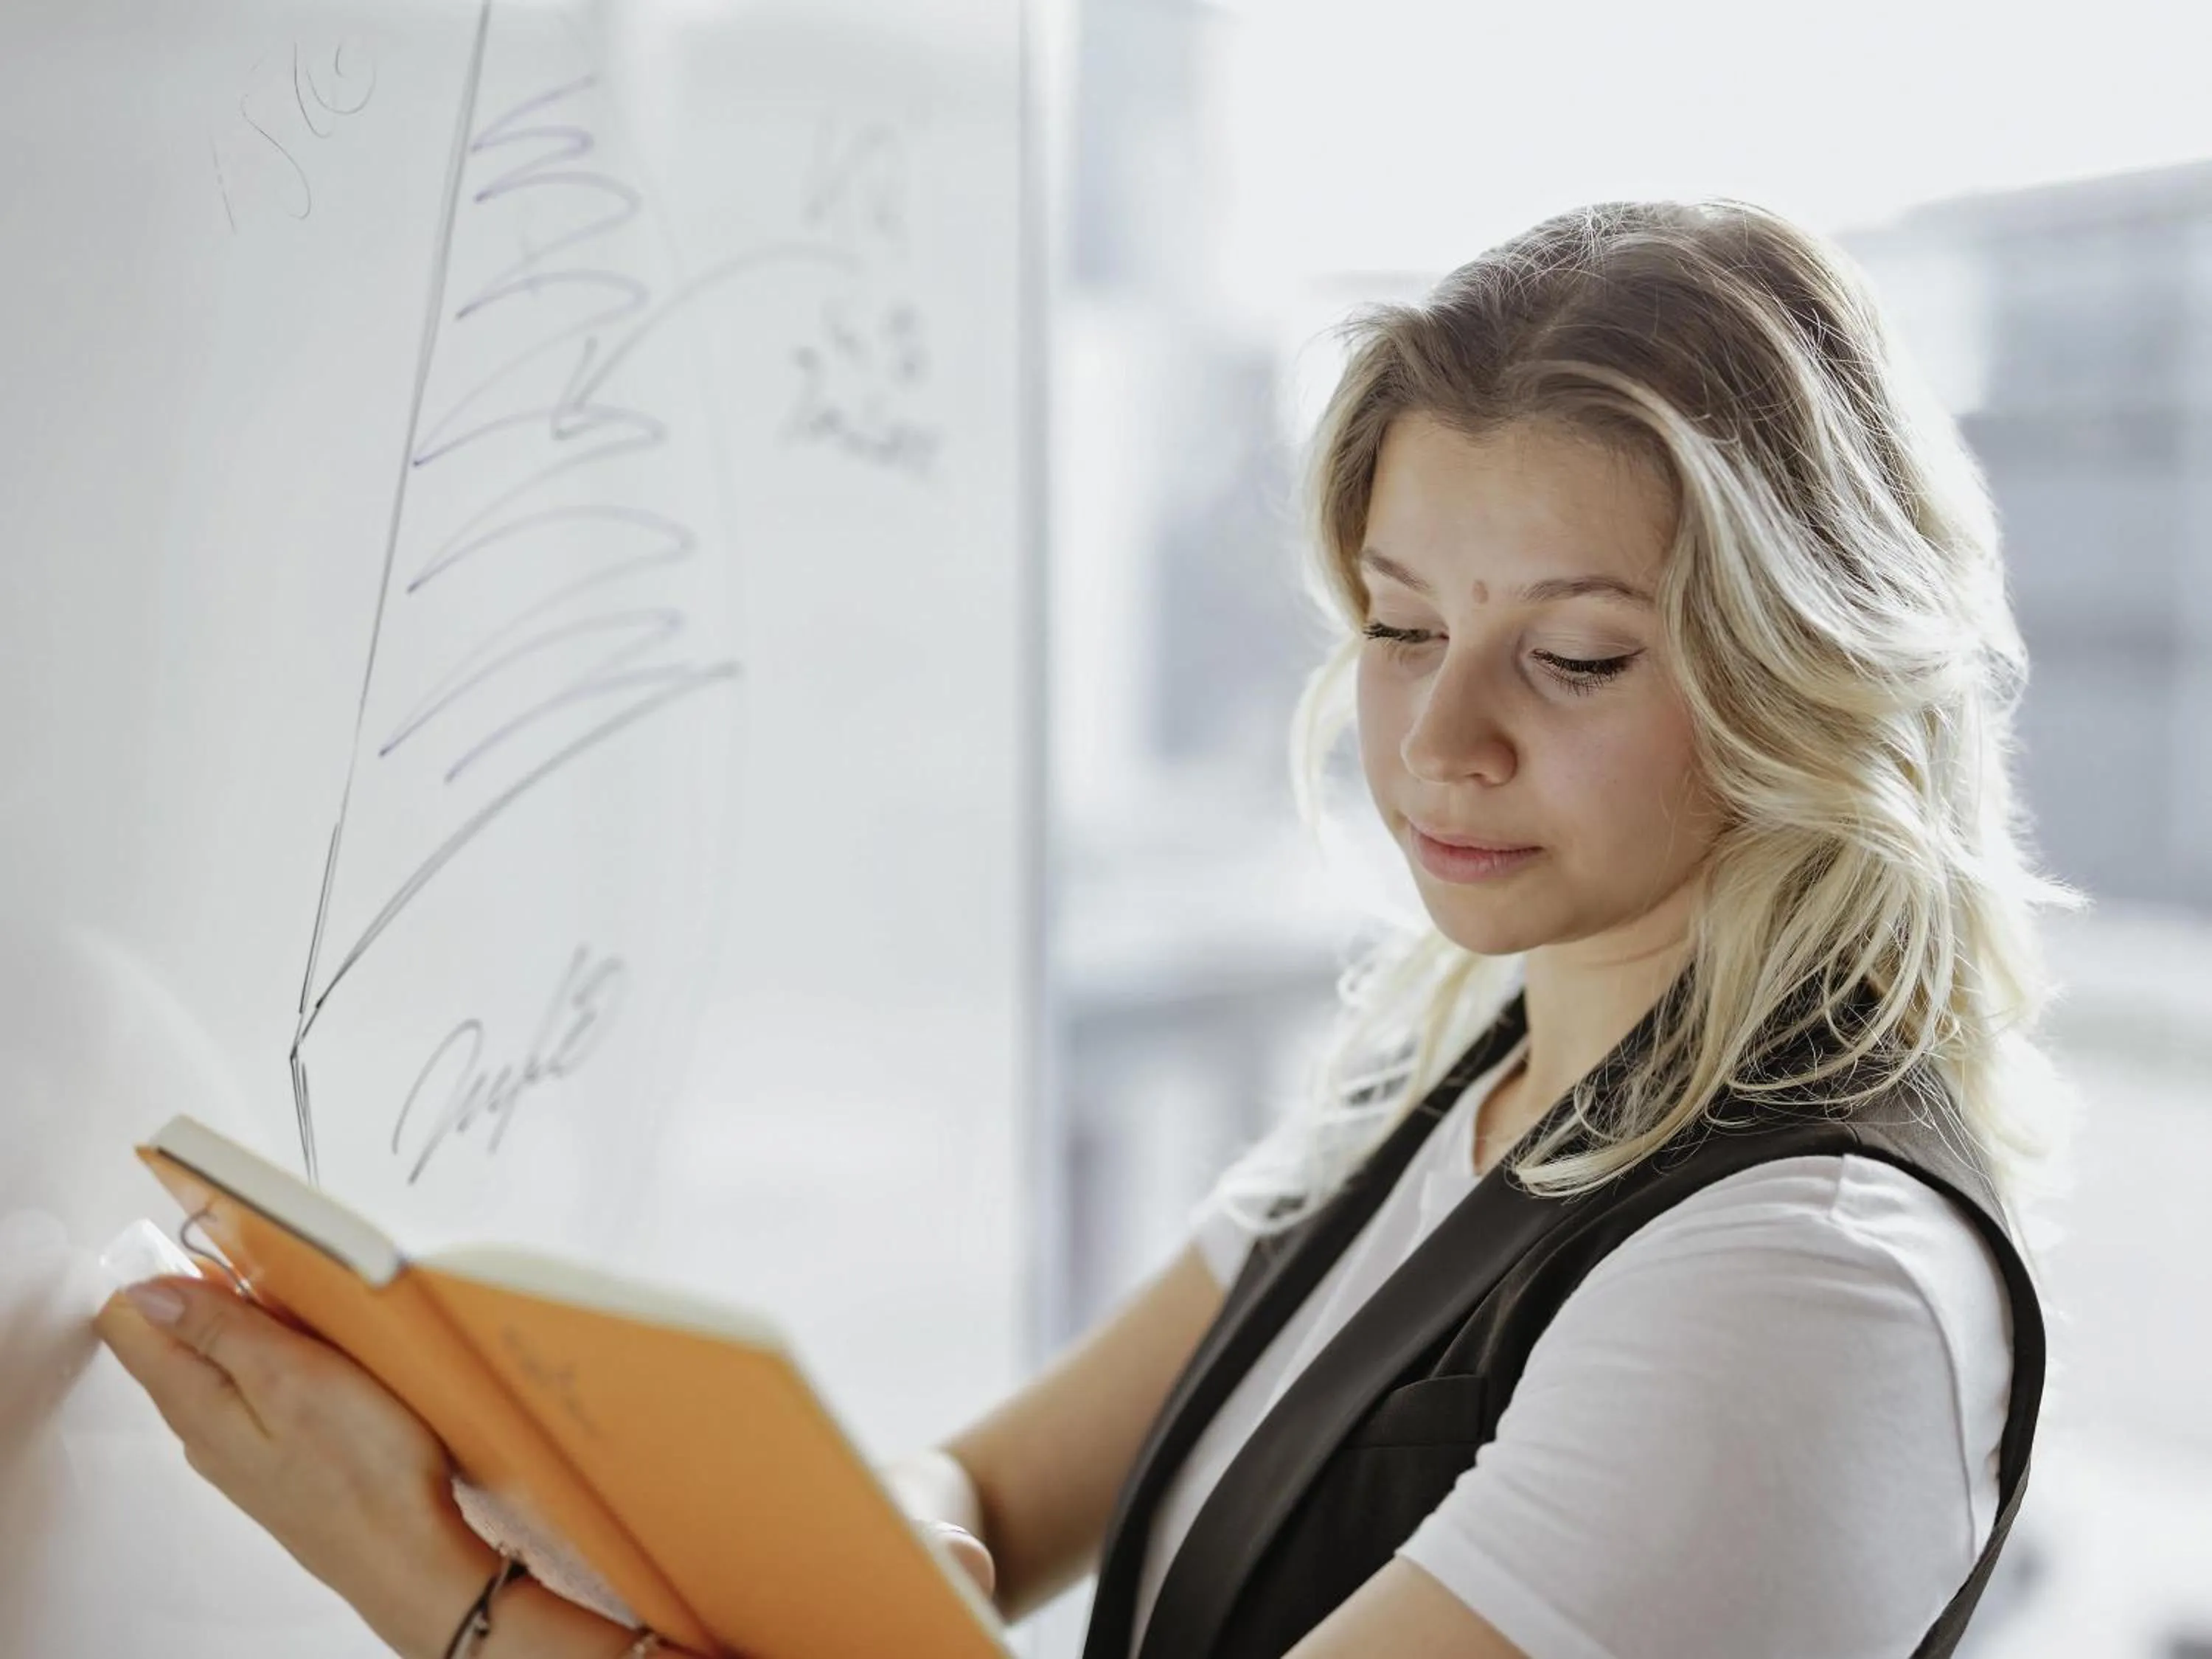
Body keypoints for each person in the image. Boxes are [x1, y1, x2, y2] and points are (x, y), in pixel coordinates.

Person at [97, 197, 2070, 1658]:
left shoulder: (1803, 1289)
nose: (1441, 738)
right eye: (1396, 627)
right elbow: (988, 1492)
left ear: (1807, 675)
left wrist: (432, 1594)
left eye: (1570, 658)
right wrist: (855, 1554)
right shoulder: (1457, 1081)